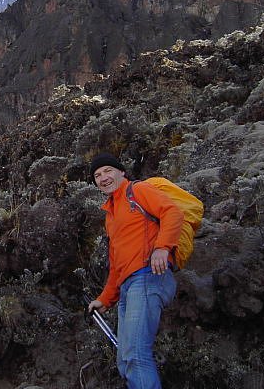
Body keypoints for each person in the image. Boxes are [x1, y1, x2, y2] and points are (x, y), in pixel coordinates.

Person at [86, 153, 184, 389]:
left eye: (108, 171)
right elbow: (116, 263)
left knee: (136, 355)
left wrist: (162, 248)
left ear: (121, 172)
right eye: (97, 175)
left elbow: (172, 212)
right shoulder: (111, 215)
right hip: (128, 286)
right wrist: (104, 299)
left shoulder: (137, 191)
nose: (103, 178)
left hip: (148, 277)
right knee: (125, 358)